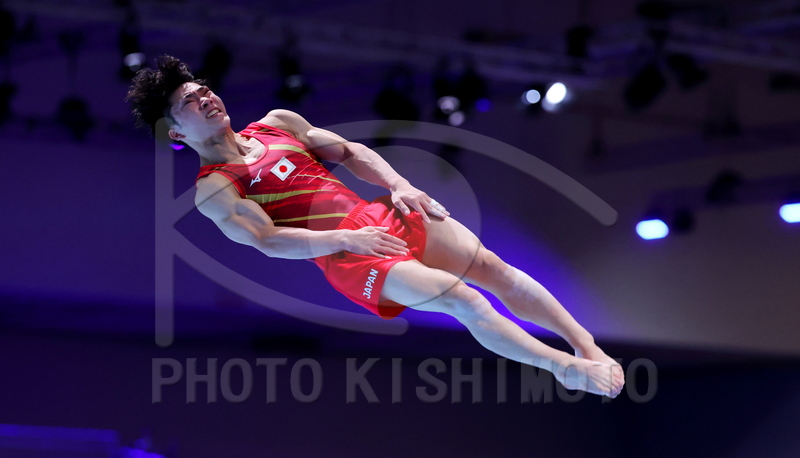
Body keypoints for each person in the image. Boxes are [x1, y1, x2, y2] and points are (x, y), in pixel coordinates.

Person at [126, 55, 624, 398]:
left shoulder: (278, 123)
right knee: (464, 300)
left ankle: (587, 346)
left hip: (380, 215)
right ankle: (564, 368)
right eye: (189, 102)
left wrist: (400, 186)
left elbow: (351, 152)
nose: (206, 99)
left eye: (204, 90)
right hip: (348, 254)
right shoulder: (215, 187)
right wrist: (344, 238)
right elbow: (269, 241)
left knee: (492, 268)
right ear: (175, 132)